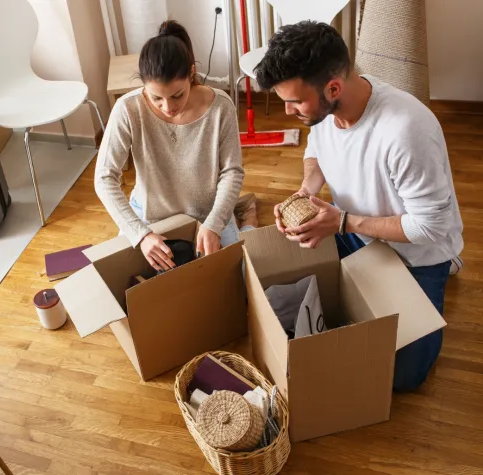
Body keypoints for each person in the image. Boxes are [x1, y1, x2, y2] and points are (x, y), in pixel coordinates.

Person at [254, 21, 464, 392]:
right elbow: (315, 153)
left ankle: (449, 266)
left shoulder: (406, 131)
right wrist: (306, 192)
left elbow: (430, 228)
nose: (288, 111)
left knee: (402, 378)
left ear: (333, 87)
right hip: (352, 229)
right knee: (273, 271)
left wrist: (344, 222)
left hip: (415, 254)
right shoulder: (321, 110)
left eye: (294, 101)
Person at [95, 20, 257, 272]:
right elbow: (104, 178)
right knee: (128, 287)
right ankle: (240, 212)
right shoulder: (127, 109)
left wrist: (214, 223)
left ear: (191, 73)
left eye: (177, 95)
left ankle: (247, 219)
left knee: (241, 283)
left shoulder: (221, 106)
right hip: (149, 215)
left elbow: (232, 172)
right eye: (155, 97)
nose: (168, 107)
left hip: (207, 214)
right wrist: (141, 234)